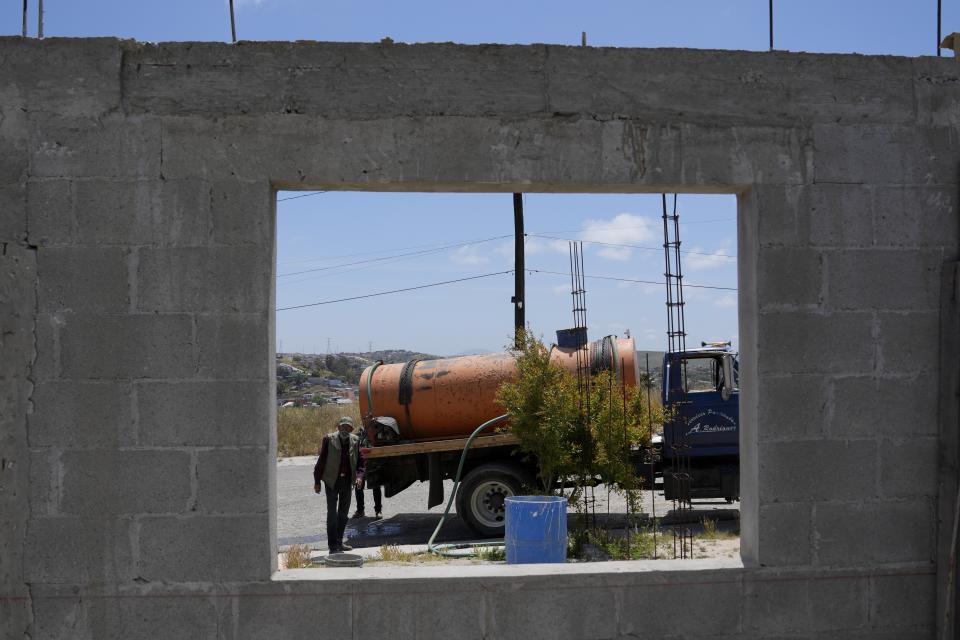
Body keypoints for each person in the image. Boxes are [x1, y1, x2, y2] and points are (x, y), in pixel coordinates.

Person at [313, 416, 365, 553]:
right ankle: (332, 547)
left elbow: (361, 463)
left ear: (351, 429)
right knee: (332, 515)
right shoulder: (329, 439)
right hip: (331, 481)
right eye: (343, 427)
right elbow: (321, 461)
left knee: (343, 514)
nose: (345, 429)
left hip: (347, 482)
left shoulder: (355, 441)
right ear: (338, 427)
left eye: (348, 427)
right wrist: (317, 481)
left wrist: (359, 477)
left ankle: (339, 542)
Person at [352, 427, 382, 519]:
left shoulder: (376, 435)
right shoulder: (357, 438)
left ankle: (378, 510)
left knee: (375, 487)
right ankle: (360, 510)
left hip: (372, 464)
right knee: (359, 486)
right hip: (361, 465)